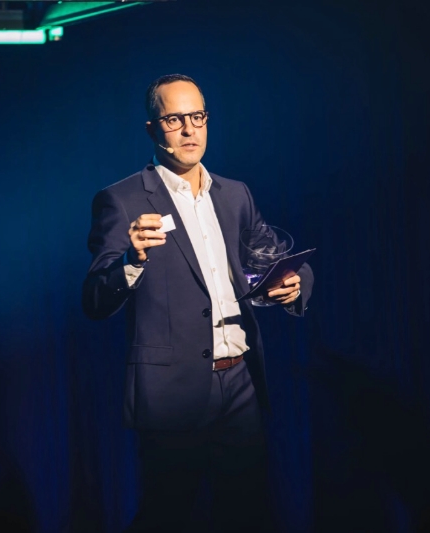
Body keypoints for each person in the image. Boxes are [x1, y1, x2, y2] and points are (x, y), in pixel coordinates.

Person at [82, 74, 314, 532]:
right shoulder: (122, 199)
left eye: (197, 117)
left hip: (240, 382)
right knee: (168, 514)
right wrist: (132, 259)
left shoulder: (235, 194)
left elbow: (273, 257)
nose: (189, 130)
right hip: (173, 391)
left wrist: (295, 283)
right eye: (174, 119)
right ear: (153, 128)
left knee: (247, 513)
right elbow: (94, 299)